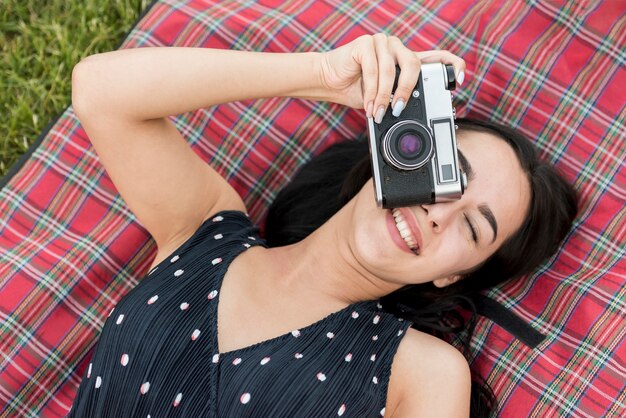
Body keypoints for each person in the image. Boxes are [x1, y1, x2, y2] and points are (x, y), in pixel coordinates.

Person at [68, 34, 577, 417]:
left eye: (472, 229)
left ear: (454, 276)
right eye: (446, 174)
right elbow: (99, 91)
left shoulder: (425, 374)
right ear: (395, 149)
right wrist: (323, 76)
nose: (439, 212)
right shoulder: (204, 229)